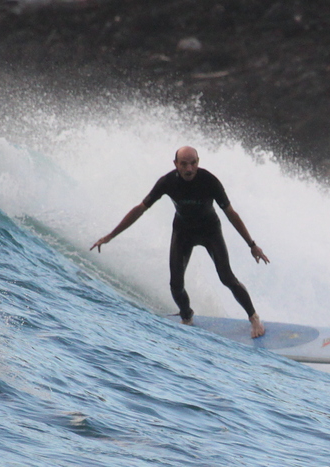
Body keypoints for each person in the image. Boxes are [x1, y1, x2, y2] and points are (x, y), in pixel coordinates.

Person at [92, 145, 270, 338]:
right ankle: (187, 316)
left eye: (193, 163)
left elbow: (231, 214)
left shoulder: (210, 181)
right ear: (175, 164)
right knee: (175, 285)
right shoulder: (167, 182)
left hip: (210, 231)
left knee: (226, 278)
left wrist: (252, 245)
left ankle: (253, 317)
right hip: (183, 232)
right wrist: (111, 235)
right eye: (183, 164)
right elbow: (140, 209)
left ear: (198, 162)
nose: (189, 169)